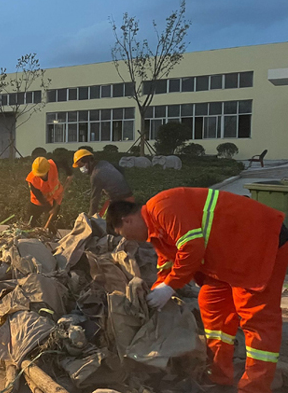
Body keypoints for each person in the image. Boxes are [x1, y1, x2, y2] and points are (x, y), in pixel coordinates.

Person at [107, 188, 288, 393]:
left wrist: (169, 287)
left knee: (257, 319)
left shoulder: (162, 207)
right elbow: (167, 260)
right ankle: (220, 375)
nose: (129, 239)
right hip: (226, 259)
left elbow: (191, 248)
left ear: (127, 220)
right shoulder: (155, 229)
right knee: (212, 305)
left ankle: (255, 387)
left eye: (123, 234)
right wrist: (159, 286)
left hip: (258, 245)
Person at [72, 148, 133, 217]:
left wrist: (90, 217)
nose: (81, 168)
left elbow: (94, 199)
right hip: (128, 195)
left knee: (104, 221)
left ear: (87, 161)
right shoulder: (103, 163)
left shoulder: (95, 175)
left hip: (119, 201)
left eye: (81, 165)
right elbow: (119, 170)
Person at [26, 156, 71, 227]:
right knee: (31, 222)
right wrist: (49, 208)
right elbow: (39, 197)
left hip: (55, 197)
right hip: (37, 202)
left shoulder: (52, 165)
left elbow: (64, 162)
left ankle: (51, 234)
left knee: (51, 223)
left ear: (47, 169)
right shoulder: (32, 180)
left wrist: (69, 173)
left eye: (42, 174)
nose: (41, 176)